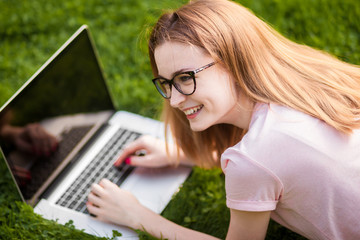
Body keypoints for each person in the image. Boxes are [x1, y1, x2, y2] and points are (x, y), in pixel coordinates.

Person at [86, 0, 360, 239]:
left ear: (232, 60)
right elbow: (283, 163)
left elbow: (261, 164)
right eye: (167, 83)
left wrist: (138, 216)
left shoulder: (253, 160)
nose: (175, 100)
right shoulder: (305, 80)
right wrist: (187, 155)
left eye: (185, 78)